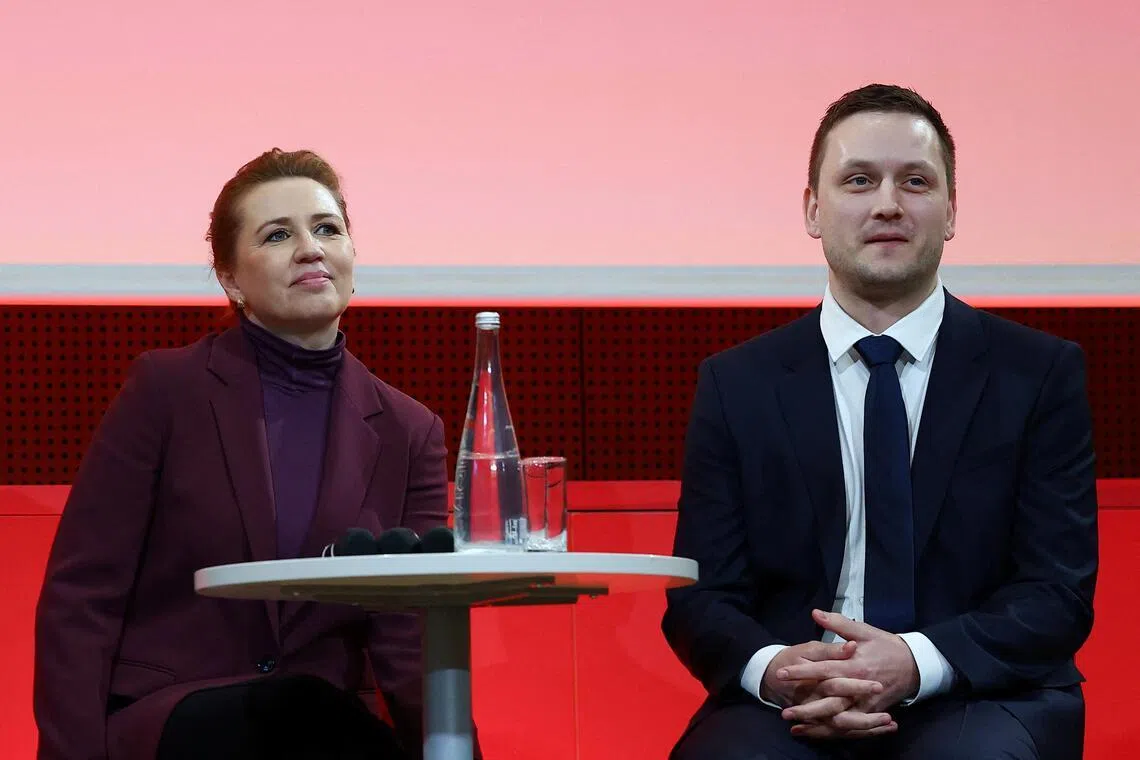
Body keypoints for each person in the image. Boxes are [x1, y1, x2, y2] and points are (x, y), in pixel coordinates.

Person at [662, 84, 1098, 760]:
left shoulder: (1038, 374)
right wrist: (777, 671)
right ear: (813, 210)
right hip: (794, 697)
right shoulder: (736, 384)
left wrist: (915, 662)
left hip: (978, 691)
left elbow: (1056, 594)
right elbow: (702, 597)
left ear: (951, 211)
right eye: (859, 180)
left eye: (915, 181)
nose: (888, 203)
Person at [34, 149, 462, 759]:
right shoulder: (166, 390)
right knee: (293, 709)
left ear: (351, 254)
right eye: (278, 235)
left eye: (327, 229)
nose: (310, 249)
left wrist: (451, 748)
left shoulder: (410, 430)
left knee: (312, 714)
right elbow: (83, 596)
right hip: (180, 713)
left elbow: (407, 631)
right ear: (232, 280)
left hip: (323, 729)